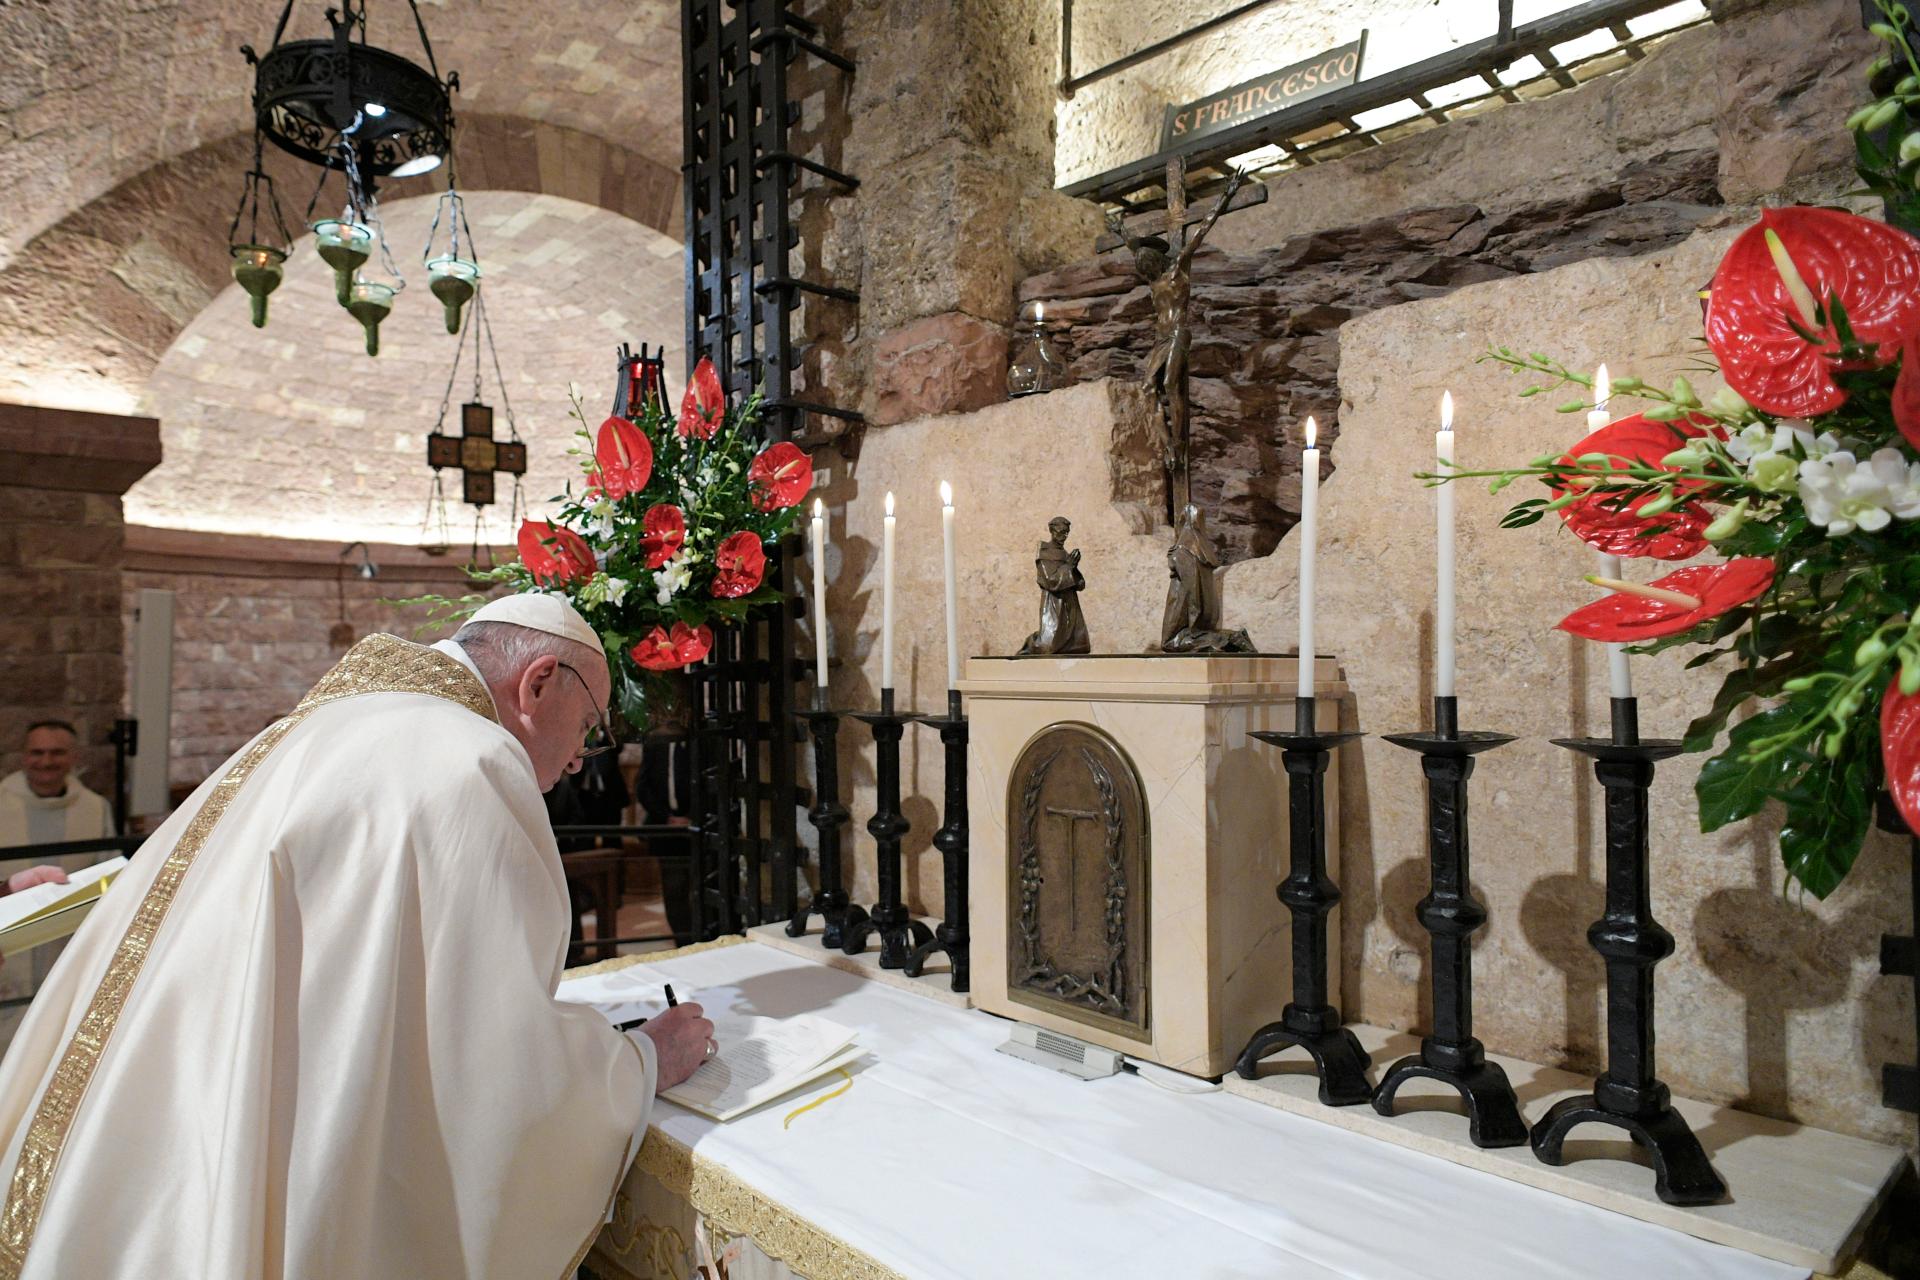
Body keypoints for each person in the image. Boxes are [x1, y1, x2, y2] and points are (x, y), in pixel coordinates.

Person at [0, 594, 714, 1279]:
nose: (579, 758)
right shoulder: (471, 761)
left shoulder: (322, 725)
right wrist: (641, 1059)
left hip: (172, 1113)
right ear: (538, 683)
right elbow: (488, 1055)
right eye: (588, 726)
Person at [0, 721, 114, 849]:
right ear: (24, 757)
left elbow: (109, 859)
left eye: (57, 753)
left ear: (74, 757)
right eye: (37, 752)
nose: (46, 762)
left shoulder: (97, 807)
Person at [1017, 515, 1092, 655]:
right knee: (1048, 645)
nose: (1064, 536)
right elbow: (1050, 581)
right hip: (1054, 603)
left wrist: (1074, 568)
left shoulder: (1065, 554)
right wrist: (1068, 567)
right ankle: (1031, 645)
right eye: (1061, 532)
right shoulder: (1044, 553)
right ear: (1052, 531)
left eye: (1066, 533)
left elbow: (1080, 584)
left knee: (1078, 645)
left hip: (1070, 603)